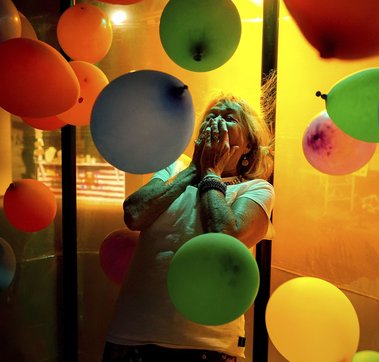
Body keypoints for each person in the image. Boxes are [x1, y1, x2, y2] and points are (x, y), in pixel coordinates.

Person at [102, 93, 276, 361]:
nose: (216, 121)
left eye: (228, 118)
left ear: (248, 147)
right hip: (132, 334)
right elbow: (134, 214)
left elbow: (225, 236)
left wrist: (211, 174)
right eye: (211, 116)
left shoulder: (256, 189)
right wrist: (195, 168)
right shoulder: (173, 167)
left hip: (207, 343)